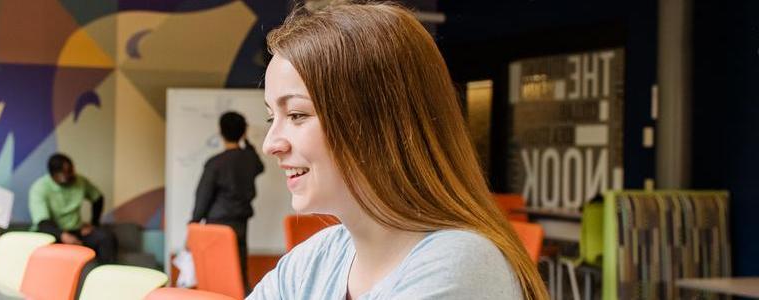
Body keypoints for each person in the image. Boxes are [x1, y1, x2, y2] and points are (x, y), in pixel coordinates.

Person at [250, 2, 545, 299]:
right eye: (271, 117)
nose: (271, 144)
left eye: (297, 115)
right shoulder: (315, 259)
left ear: (378, 123)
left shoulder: (459, 263)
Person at [191, 111, 264, 289]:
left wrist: (194, 222)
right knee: (239, 272)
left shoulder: (215, 163)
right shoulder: (250, 159)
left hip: (216, 224)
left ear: (221, 131)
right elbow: (260, 166)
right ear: (243, 132)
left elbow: (203, 196)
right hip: (240, 223)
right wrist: (245, 141)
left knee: (216, 273)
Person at [29, 153, 116, 264]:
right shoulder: (39, 188)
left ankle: (104, 275)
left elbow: (98, 198)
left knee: (106, 238)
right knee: (48, 248)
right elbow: (43, 223)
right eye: (65, 173)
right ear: (53, 175)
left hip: (76, 230)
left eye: (71, 170)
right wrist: (63, 235)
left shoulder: (80, 181)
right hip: (51, 232)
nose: (70, 175)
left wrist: (94, 223)